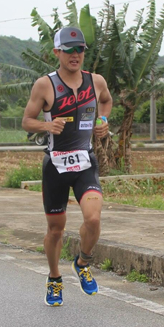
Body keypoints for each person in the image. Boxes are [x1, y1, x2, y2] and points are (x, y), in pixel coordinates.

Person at [22, 26, 112, 306]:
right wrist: (46, 125)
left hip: (84, 160)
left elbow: (106, 102)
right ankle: (54, 278)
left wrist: (103, 122)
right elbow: (27, 121)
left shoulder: (95, 81)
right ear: (57, 52)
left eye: (81, 49)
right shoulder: (45, 85)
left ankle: (83, 262)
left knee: (93, 219)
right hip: (56, 166)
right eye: (69, 49)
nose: (76, 55)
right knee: (56, 230)